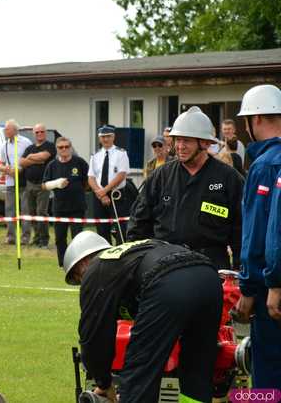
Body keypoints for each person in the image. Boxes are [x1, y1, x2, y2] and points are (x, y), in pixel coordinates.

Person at [64, 231, 222, 403]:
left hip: (167, 281)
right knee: (197, 372)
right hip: (209, 278)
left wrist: (103, 382)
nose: (82, 281)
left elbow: (93, 335)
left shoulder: (97, 267)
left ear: (83, 262)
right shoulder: (131, 253)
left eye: (78, 276)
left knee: (139, 377)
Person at [127, 106, 244, 270]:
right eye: (177, 140)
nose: (180, 146)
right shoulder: (160, 177)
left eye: (186, 140)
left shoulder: (229, 178)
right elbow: (138, 225)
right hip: (165, 266)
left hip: (211, 268)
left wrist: (240, 270)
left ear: (205, 142)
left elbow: (241, 229)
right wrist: (138, 264)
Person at [232, 84, 281, 387]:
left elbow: (263, 233)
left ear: (256, 119)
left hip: (270, 291)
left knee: (268, 374)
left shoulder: (265, 165)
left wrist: (253, 287)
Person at [41, 137, 89, 266]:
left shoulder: (79, 162)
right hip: (59, 207)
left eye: (66, 147)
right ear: (57, 149)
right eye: (61, 147)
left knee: (77, 238)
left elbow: (87, 181)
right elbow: (44, 185)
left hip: (77, 207)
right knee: (60, 238)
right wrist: (56, 184)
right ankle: (63, 263)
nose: (64, 149)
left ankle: (78, 263)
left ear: (71, 147)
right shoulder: (52, 165)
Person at [88, 125, 130, 245]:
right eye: (103, 137)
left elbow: (121, 175)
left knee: (120, 230)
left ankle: (121, 257)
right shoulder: (95, 155)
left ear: (113, 137)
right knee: (102, 229)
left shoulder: (121, 153)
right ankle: (105, 258)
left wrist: (105, 190)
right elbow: (91, 177)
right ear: (99, 138)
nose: (105, 139)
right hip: (99, 196)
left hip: (117, 195)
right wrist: (101, 194)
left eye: (108, 136)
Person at [20, 123, 56, 248]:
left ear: (45, 133)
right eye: (37, 132)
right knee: (32, 212)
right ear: (34, 134)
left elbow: (45, 156)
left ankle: (44, 239)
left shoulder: (50, 146)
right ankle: (36, 238)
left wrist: (30, 158)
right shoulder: (30, 148)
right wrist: (36, 159)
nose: (39, 134)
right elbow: (21, 162)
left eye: (41, 132)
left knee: (41, 212)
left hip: (43, 185)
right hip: (29, 184)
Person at [0, 119, 32, 245]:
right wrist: (5, 169)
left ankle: (25, 238)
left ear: (14, 130)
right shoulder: (4, 145)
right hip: (10, 183)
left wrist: (19, 169)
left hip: (23, 182)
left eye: (7, 129)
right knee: (9, 210)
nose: (5, 131)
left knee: (25, 210)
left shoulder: (25, 143)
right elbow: (2, 164)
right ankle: (10, 237)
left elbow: (30, 161)